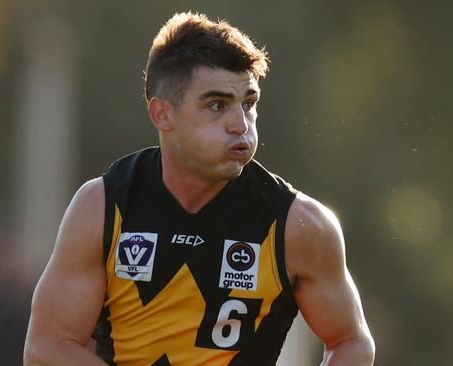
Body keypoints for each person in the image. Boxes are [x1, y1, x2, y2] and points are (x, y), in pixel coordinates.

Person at [24, 11, 375, 365]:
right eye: (217, 105)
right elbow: (48, 348)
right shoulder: (102, 205)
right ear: (162, 114)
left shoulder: (299, 225)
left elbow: (351, 341)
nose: (241, 125)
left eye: (249, 104)